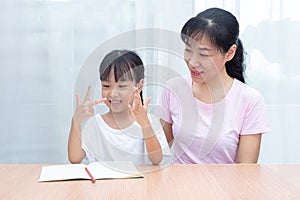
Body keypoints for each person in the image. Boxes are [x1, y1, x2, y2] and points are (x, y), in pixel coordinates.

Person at [158, 7, 271, 164]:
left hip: (225, 188)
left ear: (230, 53)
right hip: (178, 186)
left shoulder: (250, 100)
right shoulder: (173, 89)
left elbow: (246, 171)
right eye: (188, 50)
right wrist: (142, 122)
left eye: (204, 55)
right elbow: (158, 153)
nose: (192, 62)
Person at [68, 49, 169, 165]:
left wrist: (145, 125)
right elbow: (75, 158)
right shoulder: (95, 124)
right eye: (106, 86)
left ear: (139, 86)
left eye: (122, 86)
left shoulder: (149, 121)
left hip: (141, 183)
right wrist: (76, 121)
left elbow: (156, 159)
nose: (113, 93)